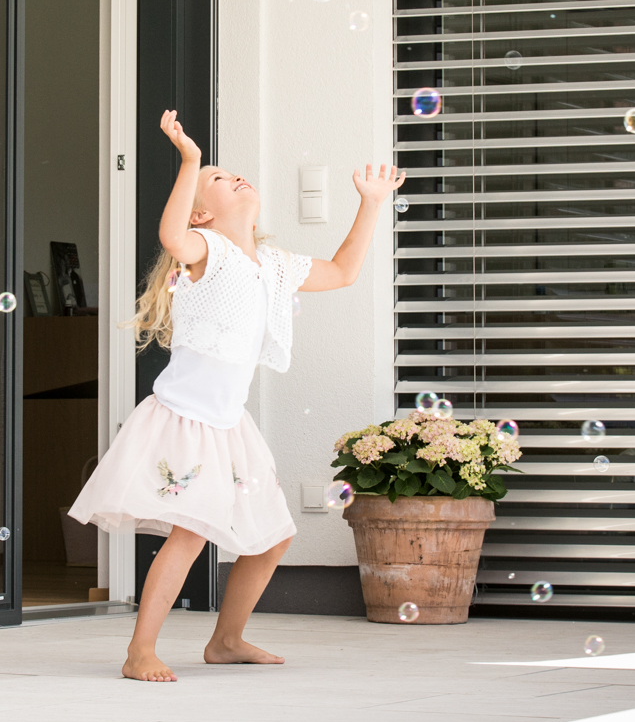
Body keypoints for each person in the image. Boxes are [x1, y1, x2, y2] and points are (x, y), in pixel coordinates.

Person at [69, 109, 404, 681]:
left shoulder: (273, 265)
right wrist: (191, 161)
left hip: (229, 426)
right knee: (191, 532)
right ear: (202, 212)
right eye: (220, 179)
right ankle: (140, 651)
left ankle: (226, 641)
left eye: (233, 173)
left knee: (273, 538)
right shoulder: (206, 249)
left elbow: (344, 271)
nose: (236, 177)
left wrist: (371, 203)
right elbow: (171, 236)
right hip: (185, 420)